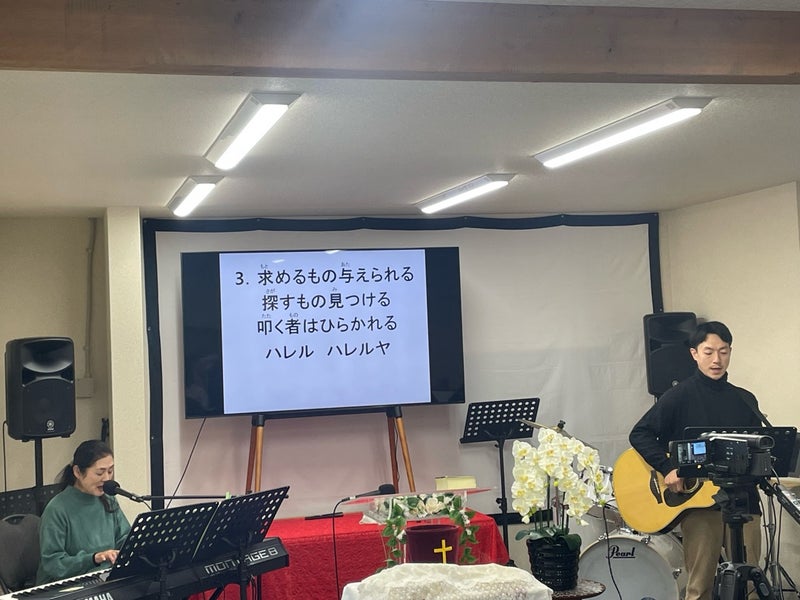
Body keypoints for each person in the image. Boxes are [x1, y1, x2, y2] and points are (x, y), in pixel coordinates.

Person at [629, 320, 763, 600]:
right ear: (694, 353)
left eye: (723, 351)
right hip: (700, 505)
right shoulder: (679, 396)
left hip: (743, 500)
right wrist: (668, 467)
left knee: (750, 585)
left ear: (730, 352)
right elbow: (640, 433)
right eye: (709, 351)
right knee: (700, 587)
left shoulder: (745, 399)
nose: (717, 360)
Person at [36, 440, 131, 584]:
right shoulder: (57, 509)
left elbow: (124, 538)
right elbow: (53, 563)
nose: (106, 479)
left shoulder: (108, 500)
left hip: (104, 578)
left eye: (110, 471)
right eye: (100, 473)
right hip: (66, 585)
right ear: (78, 472)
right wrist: (94, 558)